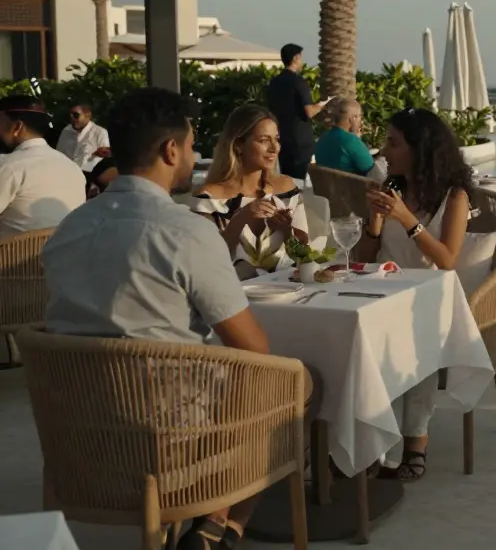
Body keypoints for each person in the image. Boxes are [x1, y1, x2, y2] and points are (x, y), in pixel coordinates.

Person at [42, 87, 316, 550]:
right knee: (299, 383)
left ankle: (215, 527)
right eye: (191, 146)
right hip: (169, 434)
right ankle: (221, 523)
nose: (193, 156)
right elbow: (254, 350)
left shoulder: (69, 228)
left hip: (76, 432)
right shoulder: (184, 231)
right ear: (171, 150)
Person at [353, 107, 474, 481]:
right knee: (359, 342)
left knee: (412, 335)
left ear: (419, 149)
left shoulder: (454, 197)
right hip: (383, 291)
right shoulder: (391, 189)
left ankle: (415, 439)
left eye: (393, 143)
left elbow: (448, 259)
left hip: (429, 296)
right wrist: (373, 226)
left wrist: (407, 220)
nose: (384, 151)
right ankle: (369, 437)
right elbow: (363, 258)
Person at [186, 105, 309, 279]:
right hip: (235, 293)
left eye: (277, 139)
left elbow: (305, 255)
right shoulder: (209, 197)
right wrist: (241, 218)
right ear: (238, 145)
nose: (275, 148)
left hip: (290, 288)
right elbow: (205, 260)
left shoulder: (286, 188)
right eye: (264, 140)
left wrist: (287, 231)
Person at [0, 95, 85, 239]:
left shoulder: (8, 166)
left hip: (12, 260)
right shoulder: (73, 168)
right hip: (61, 257)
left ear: (17, 127)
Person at [266, 43, 330, 181]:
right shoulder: (299, 82)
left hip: (282, 138)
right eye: (300, 57)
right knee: (299, 181)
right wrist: (321, 105)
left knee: (286, 179)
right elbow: (308, 112)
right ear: (295, 58)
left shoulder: (274, 82)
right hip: (300, 141)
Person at [315, 98, 377, 176]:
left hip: (325, 186)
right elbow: (371, 168)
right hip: (350, 187)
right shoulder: (351, 141)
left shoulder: (323, 137)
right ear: (353, 118)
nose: (361, 121)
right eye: (360, 116)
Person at [55, 101, 111, 171]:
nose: (72, 118)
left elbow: (105, 157)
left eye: (76, 115)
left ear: (87, 115)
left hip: (89, 175)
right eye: (70, 115)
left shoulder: (100, 132)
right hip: (67, 173)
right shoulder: (66, 131)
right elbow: (58, 154)